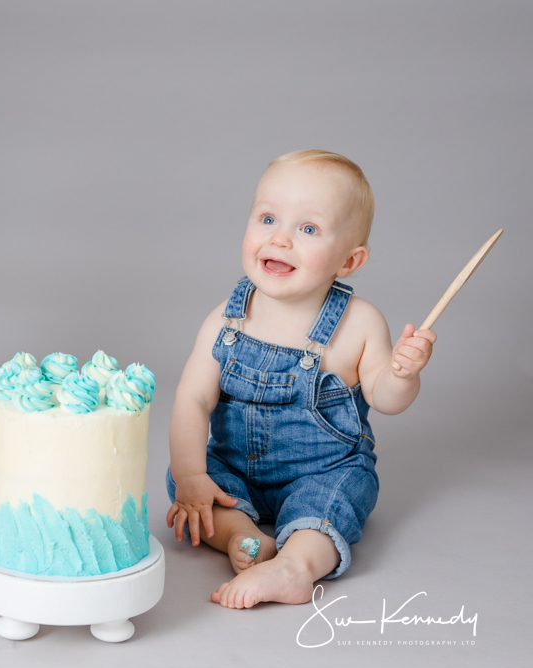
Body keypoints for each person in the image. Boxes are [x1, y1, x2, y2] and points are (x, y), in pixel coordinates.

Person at [166, 150, 435, 609]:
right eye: (268, 218)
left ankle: (296, 566)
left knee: (331, 503)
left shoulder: (360, 324)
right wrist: (193, 475)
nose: (281, 238)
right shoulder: (227, 320)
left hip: (324, 471)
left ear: (348, 261)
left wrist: (403, 373)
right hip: (237, 469)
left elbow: (385, 399)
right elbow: (193, 399)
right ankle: (243, 537)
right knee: (188, 482)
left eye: (307, 229)